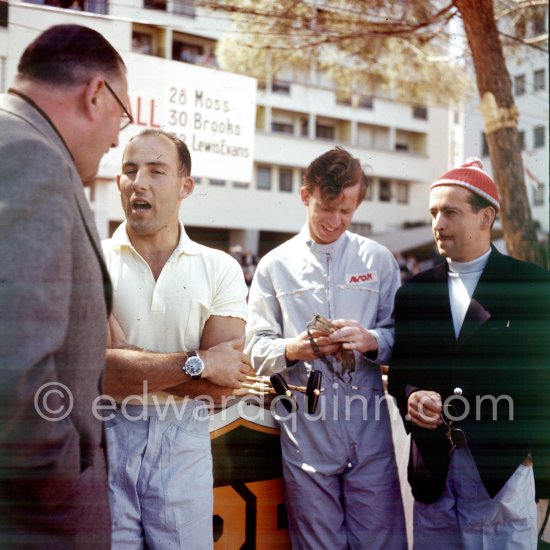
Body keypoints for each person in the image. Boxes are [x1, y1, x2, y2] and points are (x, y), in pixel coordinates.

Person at [0, 24, 131, 548]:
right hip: (34, 519)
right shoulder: (31, 157)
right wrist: (60, 483)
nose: (118, 138)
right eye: (122, 116)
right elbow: (12, 364)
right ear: (96, 93)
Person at [245, 147, 408, 549]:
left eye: (346, 211)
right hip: (306, 436)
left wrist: (372, 341)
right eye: (326, 208)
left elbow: (402, 337)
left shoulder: (379, 259)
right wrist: (295, 348)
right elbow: (254, 348)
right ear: (305, 196)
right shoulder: (273, 265)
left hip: (369, 434)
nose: (335, 221)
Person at [388, 158, 550, 549]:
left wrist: (535, 463)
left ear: (486, 217)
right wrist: (412, 396)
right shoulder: (413, 291)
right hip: (433, 476)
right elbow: (402, 371)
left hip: (504, 474)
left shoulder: (532, 285)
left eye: (450, 212)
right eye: (433, 213)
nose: (437, 224)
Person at [102, 129, 252, 549]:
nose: (139, 182)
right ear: (118, 182)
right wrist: (200, 361)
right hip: (106, 444)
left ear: (186, 185)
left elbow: (223, 390)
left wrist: (126, 361)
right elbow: (101, 375)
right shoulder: (93, 261)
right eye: (130, 170)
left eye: (156, 170)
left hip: (183, 447)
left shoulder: (219, 267)